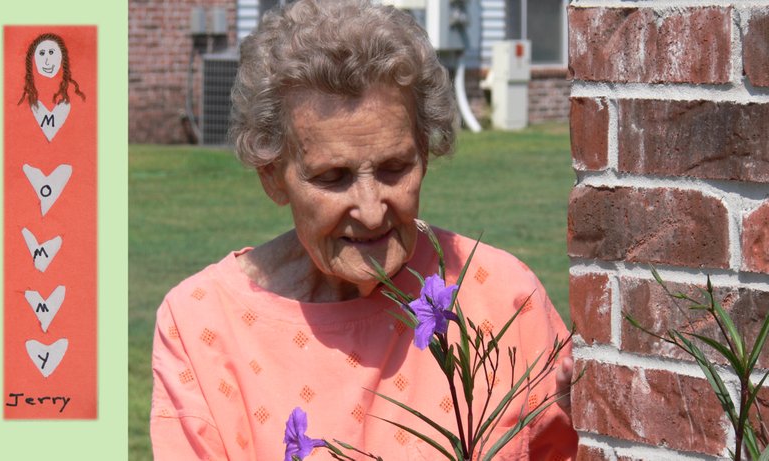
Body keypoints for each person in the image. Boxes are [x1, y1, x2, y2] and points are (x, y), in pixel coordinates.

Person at [150, 1, 577, 459]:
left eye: (396, 168)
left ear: (425, 156)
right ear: (272, 175)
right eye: (334, 177)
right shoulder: (203, 324)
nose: (372, 212)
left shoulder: (503, 297)